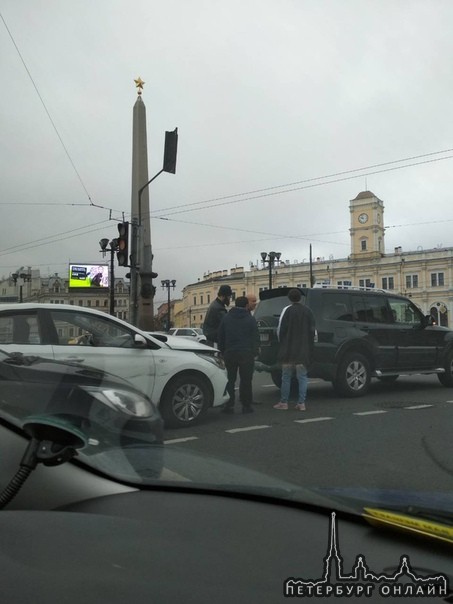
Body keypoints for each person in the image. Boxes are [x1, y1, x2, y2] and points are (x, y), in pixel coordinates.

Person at [274, 288, 315, 411]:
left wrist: (282, 344)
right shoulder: (308, 311)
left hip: (288, 350)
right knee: (302, 377)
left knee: (286, 376)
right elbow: (313, 330)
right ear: (301, 298)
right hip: (303, 350)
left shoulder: (287, 311)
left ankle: (284, 402)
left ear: (289, 298)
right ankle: (301, 403)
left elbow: (281, 330)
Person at [218, 296, 260, 414]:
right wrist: (254, 352)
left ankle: (229, 404)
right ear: (246, 305)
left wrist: (223, 350)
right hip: (246, 353)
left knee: (230, 380)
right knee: (246, 380)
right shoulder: (250, 319)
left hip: (230, 353)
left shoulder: (227, 318)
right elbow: (255, 337)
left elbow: (221, 336)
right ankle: (246, 405)